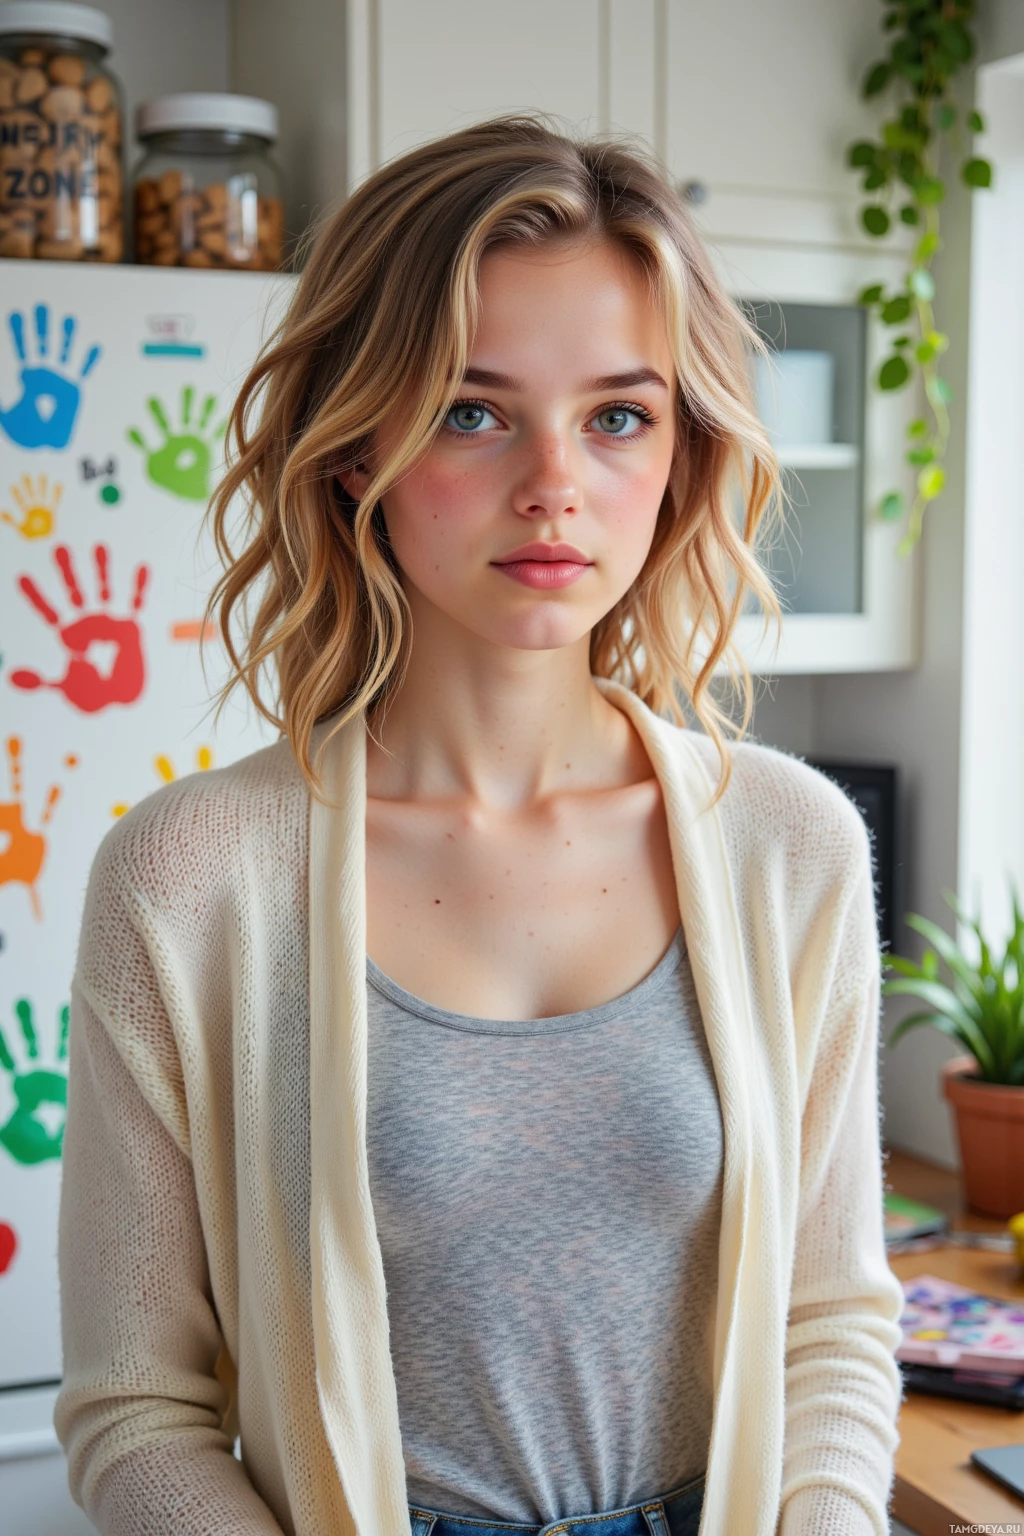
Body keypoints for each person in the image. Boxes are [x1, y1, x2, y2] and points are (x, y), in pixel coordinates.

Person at [54, 115, 905, 1536]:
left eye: (618, 415)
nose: (554, 482)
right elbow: (137, 1405)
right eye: (471, 407)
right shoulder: (187, 875)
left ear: (681, 457)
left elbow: (832, 1325)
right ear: (352, 448)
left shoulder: (791, 846)